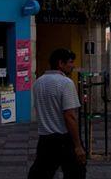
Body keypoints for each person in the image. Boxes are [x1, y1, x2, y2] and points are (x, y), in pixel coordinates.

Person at [28, 48, 86, 179]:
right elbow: (70, 116)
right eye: (70, 62)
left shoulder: (38, 82)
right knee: (76, 173)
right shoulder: (66, 83)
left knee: (41, 174)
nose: (73, 66)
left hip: (45, 139)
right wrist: (78, 145)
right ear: (61, 63)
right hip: (64, 139)